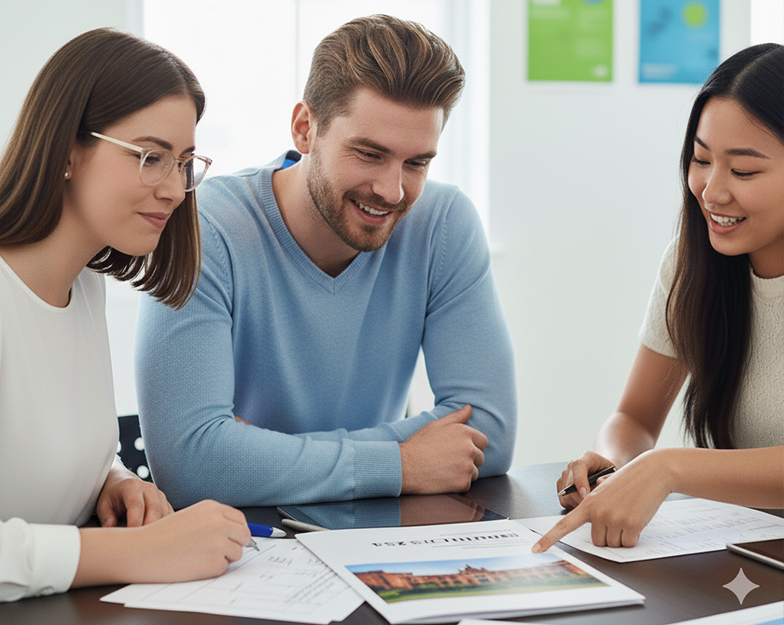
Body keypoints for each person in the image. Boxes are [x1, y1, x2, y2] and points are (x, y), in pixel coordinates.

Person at [136, 14, 518, 508]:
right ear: (305, 129)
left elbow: (490, 432)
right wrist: (402, 462)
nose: (393, 189)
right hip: (243, 541)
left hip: (376, 529)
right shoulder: (203, 228)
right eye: (369, 153)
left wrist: (249, 452)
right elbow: (192, 465)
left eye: (417, 162)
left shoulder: (443, 222)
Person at [0, 28, 251, 603]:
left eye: (184, 162)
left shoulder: (84, 284)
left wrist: (111, 482)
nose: (174, 189)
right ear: (67, 149)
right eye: (149, 157)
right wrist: (140, 552)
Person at [533, 43, 784, 554]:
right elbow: (634, 420)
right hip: (748, 554)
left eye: (744, 171)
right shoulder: (692, 262)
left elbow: (668, 460)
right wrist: (615, 467)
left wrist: (668, 467)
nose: (711, 191)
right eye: (700, 159)